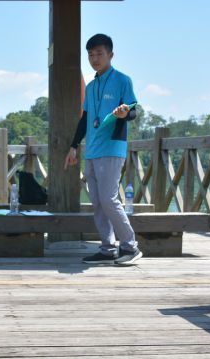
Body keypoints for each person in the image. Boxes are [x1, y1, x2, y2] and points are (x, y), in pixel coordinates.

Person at [64, 34, 142, 266]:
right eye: (90, 54)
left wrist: (125, 113)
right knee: (97, 202)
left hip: (112, 148)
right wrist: (73, 146)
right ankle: (107, 248)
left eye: (99, 53)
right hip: (92, 150)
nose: (94, 58)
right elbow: (85, 119)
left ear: (111, 55)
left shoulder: (123, 80)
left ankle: (130, 246)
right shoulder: (91, 86)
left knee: (109, 199)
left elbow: (135, 110)